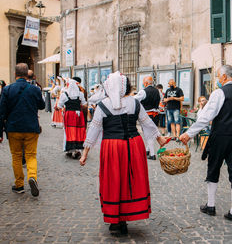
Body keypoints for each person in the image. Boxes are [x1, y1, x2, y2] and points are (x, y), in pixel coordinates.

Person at [79, 72, 168, 235]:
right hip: (133, 145)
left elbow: (94, 129)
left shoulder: (103, 105)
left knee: (113, 180)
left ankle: (116, 220)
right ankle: (125, 217)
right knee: (130, 180)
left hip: (112, 147)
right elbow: (147, 122)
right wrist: (160, 139)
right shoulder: (134, 103)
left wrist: (85, 152)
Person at [180, 65, 232, 224]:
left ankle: (211, 205)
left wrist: (189, 133)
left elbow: (206, 117)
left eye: (218, 76)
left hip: (220, 137)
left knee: (213, 168)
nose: (217, 79)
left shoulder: (218, 93)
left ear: (225, 77)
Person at [0, 63, 44, 196]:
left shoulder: (8, 89)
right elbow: (42, 105)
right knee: (31, 155)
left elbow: (2, 112)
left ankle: (19, 184)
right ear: (27, 74)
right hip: (31, 128)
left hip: (13, 128)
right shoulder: (34, 89)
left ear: (15, 74)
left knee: (16, 156)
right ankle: (32, 176)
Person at [57, 79, 87, 159]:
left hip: (69, 115)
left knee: (70, 131)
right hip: (78, 115)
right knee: (78, 131)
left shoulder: (64, 94)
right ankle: (78, 149)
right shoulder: (80, 94)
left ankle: (70, 150)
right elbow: (85, 104)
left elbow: (59, 106)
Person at [134, 76, 161, 160]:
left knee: (148, 134)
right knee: (151, 134)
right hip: (156, 115)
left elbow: (134, 100)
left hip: (147, 115)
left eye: (143, 82)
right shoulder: (158, 91)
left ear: (145, 83)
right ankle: (147, 150)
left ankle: (152, 154)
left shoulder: (143, 91)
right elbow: (161, 100)